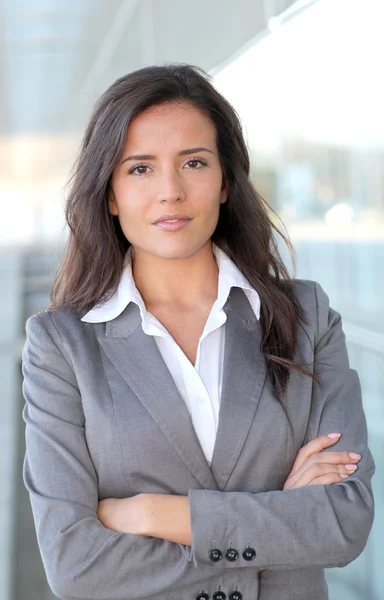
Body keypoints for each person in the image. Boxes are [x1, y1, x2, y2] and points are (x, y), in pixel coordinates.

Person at [21, 64, 374, 600]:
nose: (171, 191)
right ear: (110, 193)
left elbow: (343, 524)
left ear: (226, 180)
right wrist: (279, 527)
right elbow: (74, 564)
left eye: (194, 163)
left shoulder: (306, 316)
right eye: (140, 169)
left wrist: (149, 514)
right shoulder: (61, 346)